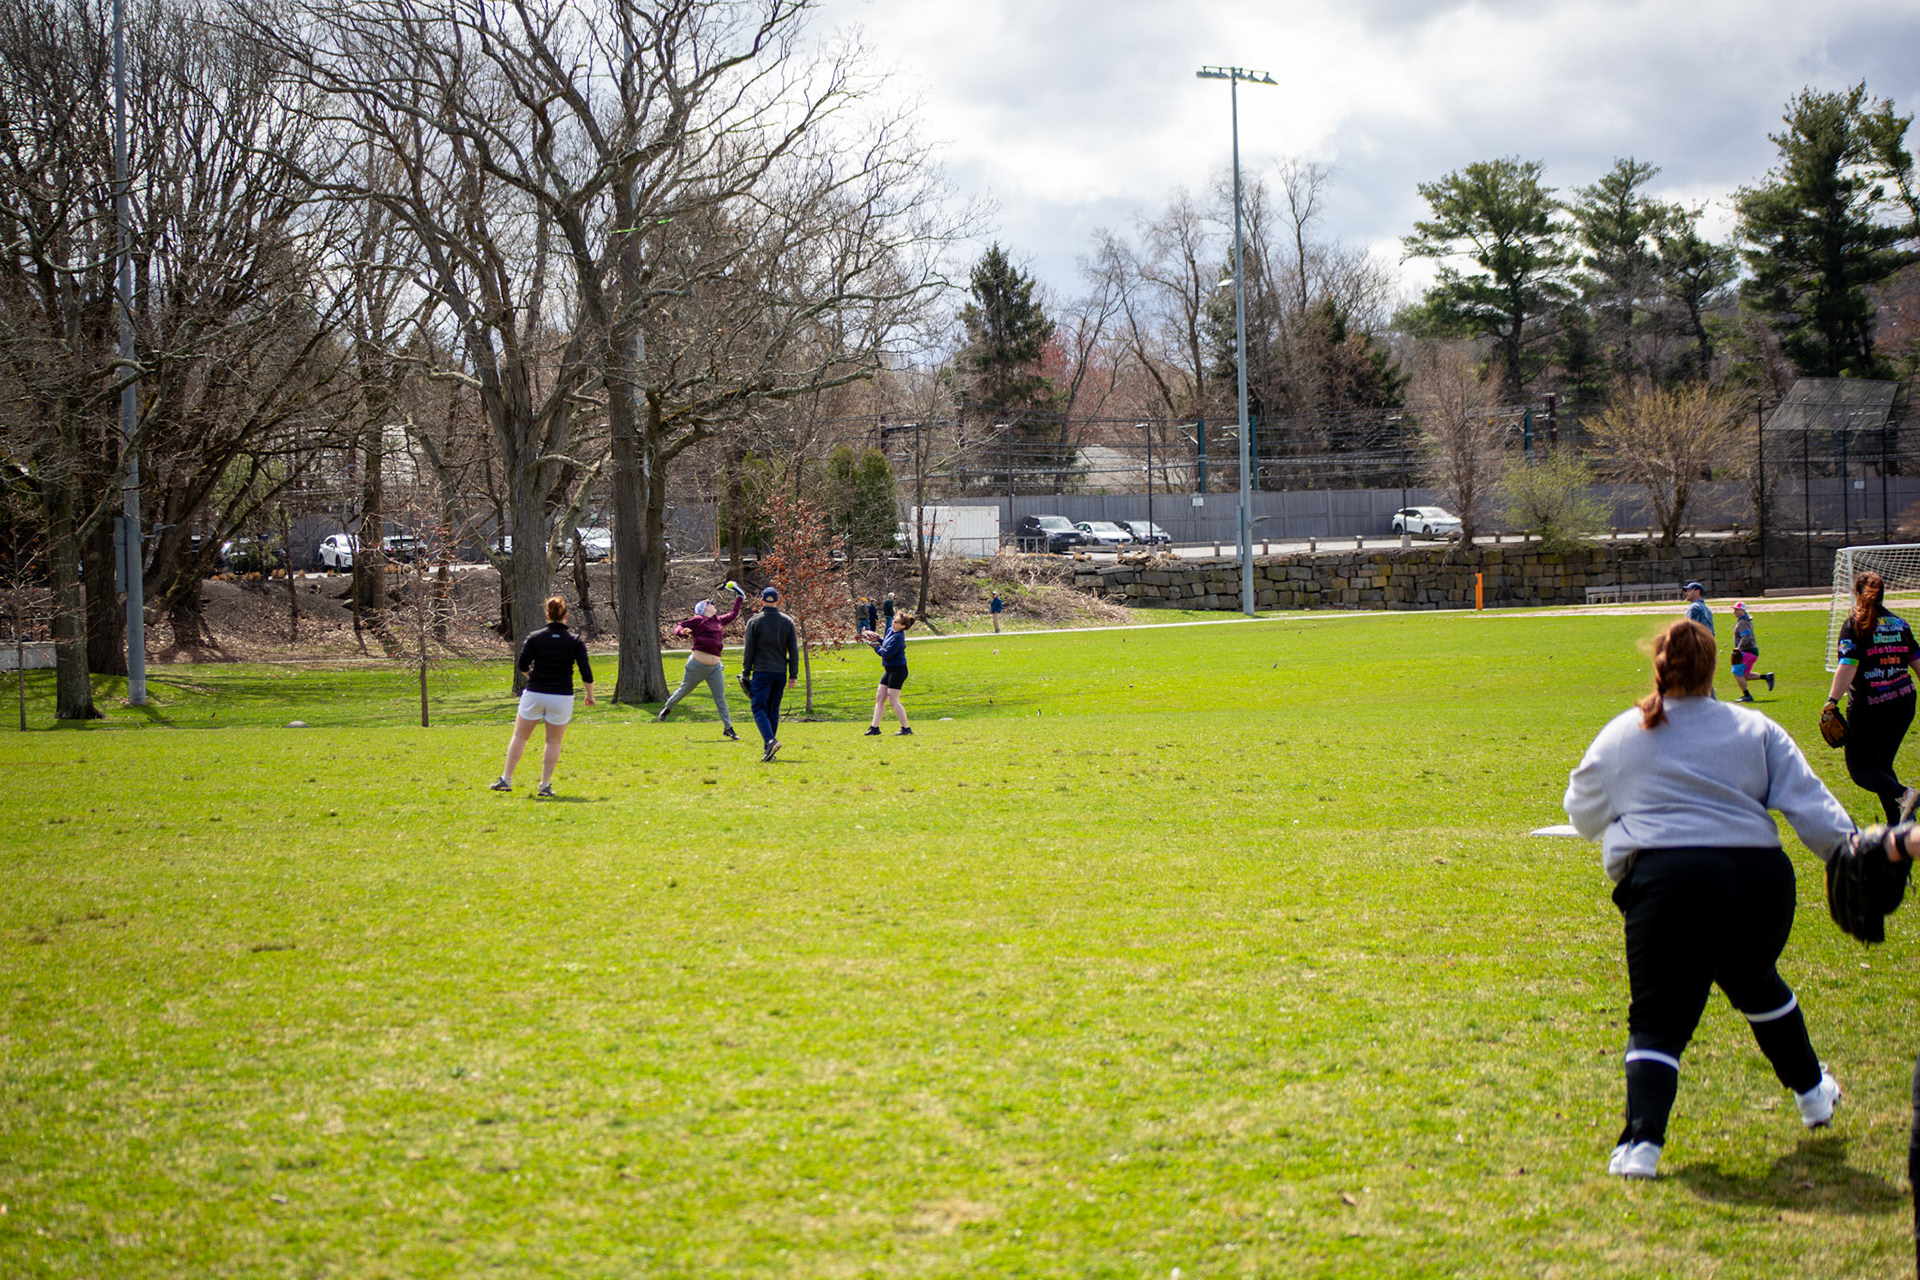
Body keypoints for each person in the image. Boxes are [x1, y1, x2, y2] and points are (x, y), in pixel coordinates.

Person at [1563, 618, 1852, 1181]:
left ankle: (1642, 1146)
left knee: (1658, 1018)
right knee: (1755, 981)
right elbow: (1814, 809)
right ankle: (1814, 1095)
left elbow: (1582, 815)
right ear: (1713, 668)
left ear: (1658, 667)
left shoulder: (1625, 733)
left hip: (1671, 883)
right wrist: (1855, 851)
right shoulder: (1755, 728)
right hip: (1760, 881)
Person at [1826, 570, 1920, 824]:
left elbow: (1848, 665)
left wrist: (1832, 701)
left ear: (1857, 593)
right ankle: (1899, 824)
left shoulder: (1855, 624)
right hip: (1903, 702)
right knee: (1881, 766)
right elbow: (1917, 662)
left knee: (1861, 770)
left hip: (1870, 707)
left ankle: (1906, 794)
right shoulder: (1900, 624)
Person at [493, 596, 594, 798]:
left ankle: (506, 779)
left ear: (547, 615)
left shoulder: (535, 638)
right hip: (561, 696)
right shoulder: (574, 641)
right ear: (566, 616)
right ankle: (545, 784)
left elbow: (522, 665)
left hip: (535, 693)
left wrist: (532, 677)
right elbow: (585, 671)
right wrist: (590, 694)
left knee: (520, 736)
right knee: (553, 742)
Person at [657, 584, 744, 739]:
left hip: (715, 668)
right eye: (710, 603)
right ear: (704, 609)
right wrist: (681, 632)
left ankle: (728, 728)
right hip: (697, 666)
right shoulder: (698, 620)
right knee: (683, 690)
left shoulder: (718, 620)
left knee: (720, 698)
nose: (714, 605)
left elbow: (733, 614)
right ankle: (668, 708)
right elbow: (679, 626)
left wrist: (739, 598)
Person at [741, 585, 799, 762]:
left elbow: (749, 650)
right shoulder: (787, 621)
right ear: (778, 601)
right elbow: (793, 650)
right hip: (780, 672)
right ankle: (769, 749)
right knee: (773, 710)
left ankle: (770, 740)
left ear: (761, 601)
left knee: (758, 708)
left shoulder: (754, 621)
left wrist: (746, 672)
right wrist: (793, 675)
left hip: (762, 671)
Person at [860, 612, 915, 736]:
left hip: (898, 670)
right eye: (894, 620)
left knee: (893, 700)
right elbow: (886, 643)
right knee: (880, 698)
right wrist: (878, 639)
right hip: (889, 670)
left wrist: (875, 646)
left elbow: (887, 653)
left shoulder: (899, 637)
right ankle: (874, 728)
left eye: (896, 622)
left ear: (903, 626)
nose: (893, 623)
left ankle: (906, 728)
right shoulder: (891, 631)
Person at [1727, 601, 1774, 703]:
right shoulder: (1746, 620)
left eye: (1736, 609)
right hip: (1752, 651)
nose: (1734, 611)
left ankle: (1747, 696)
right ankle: (1767, 677)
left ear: (1743, 611)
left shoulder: (1742, 622)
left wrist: (1738, 649)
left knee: (1736, 672)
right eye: (1734, 609)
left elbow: (1746, 636)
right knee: (1745, 676)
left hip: (1747, 651)